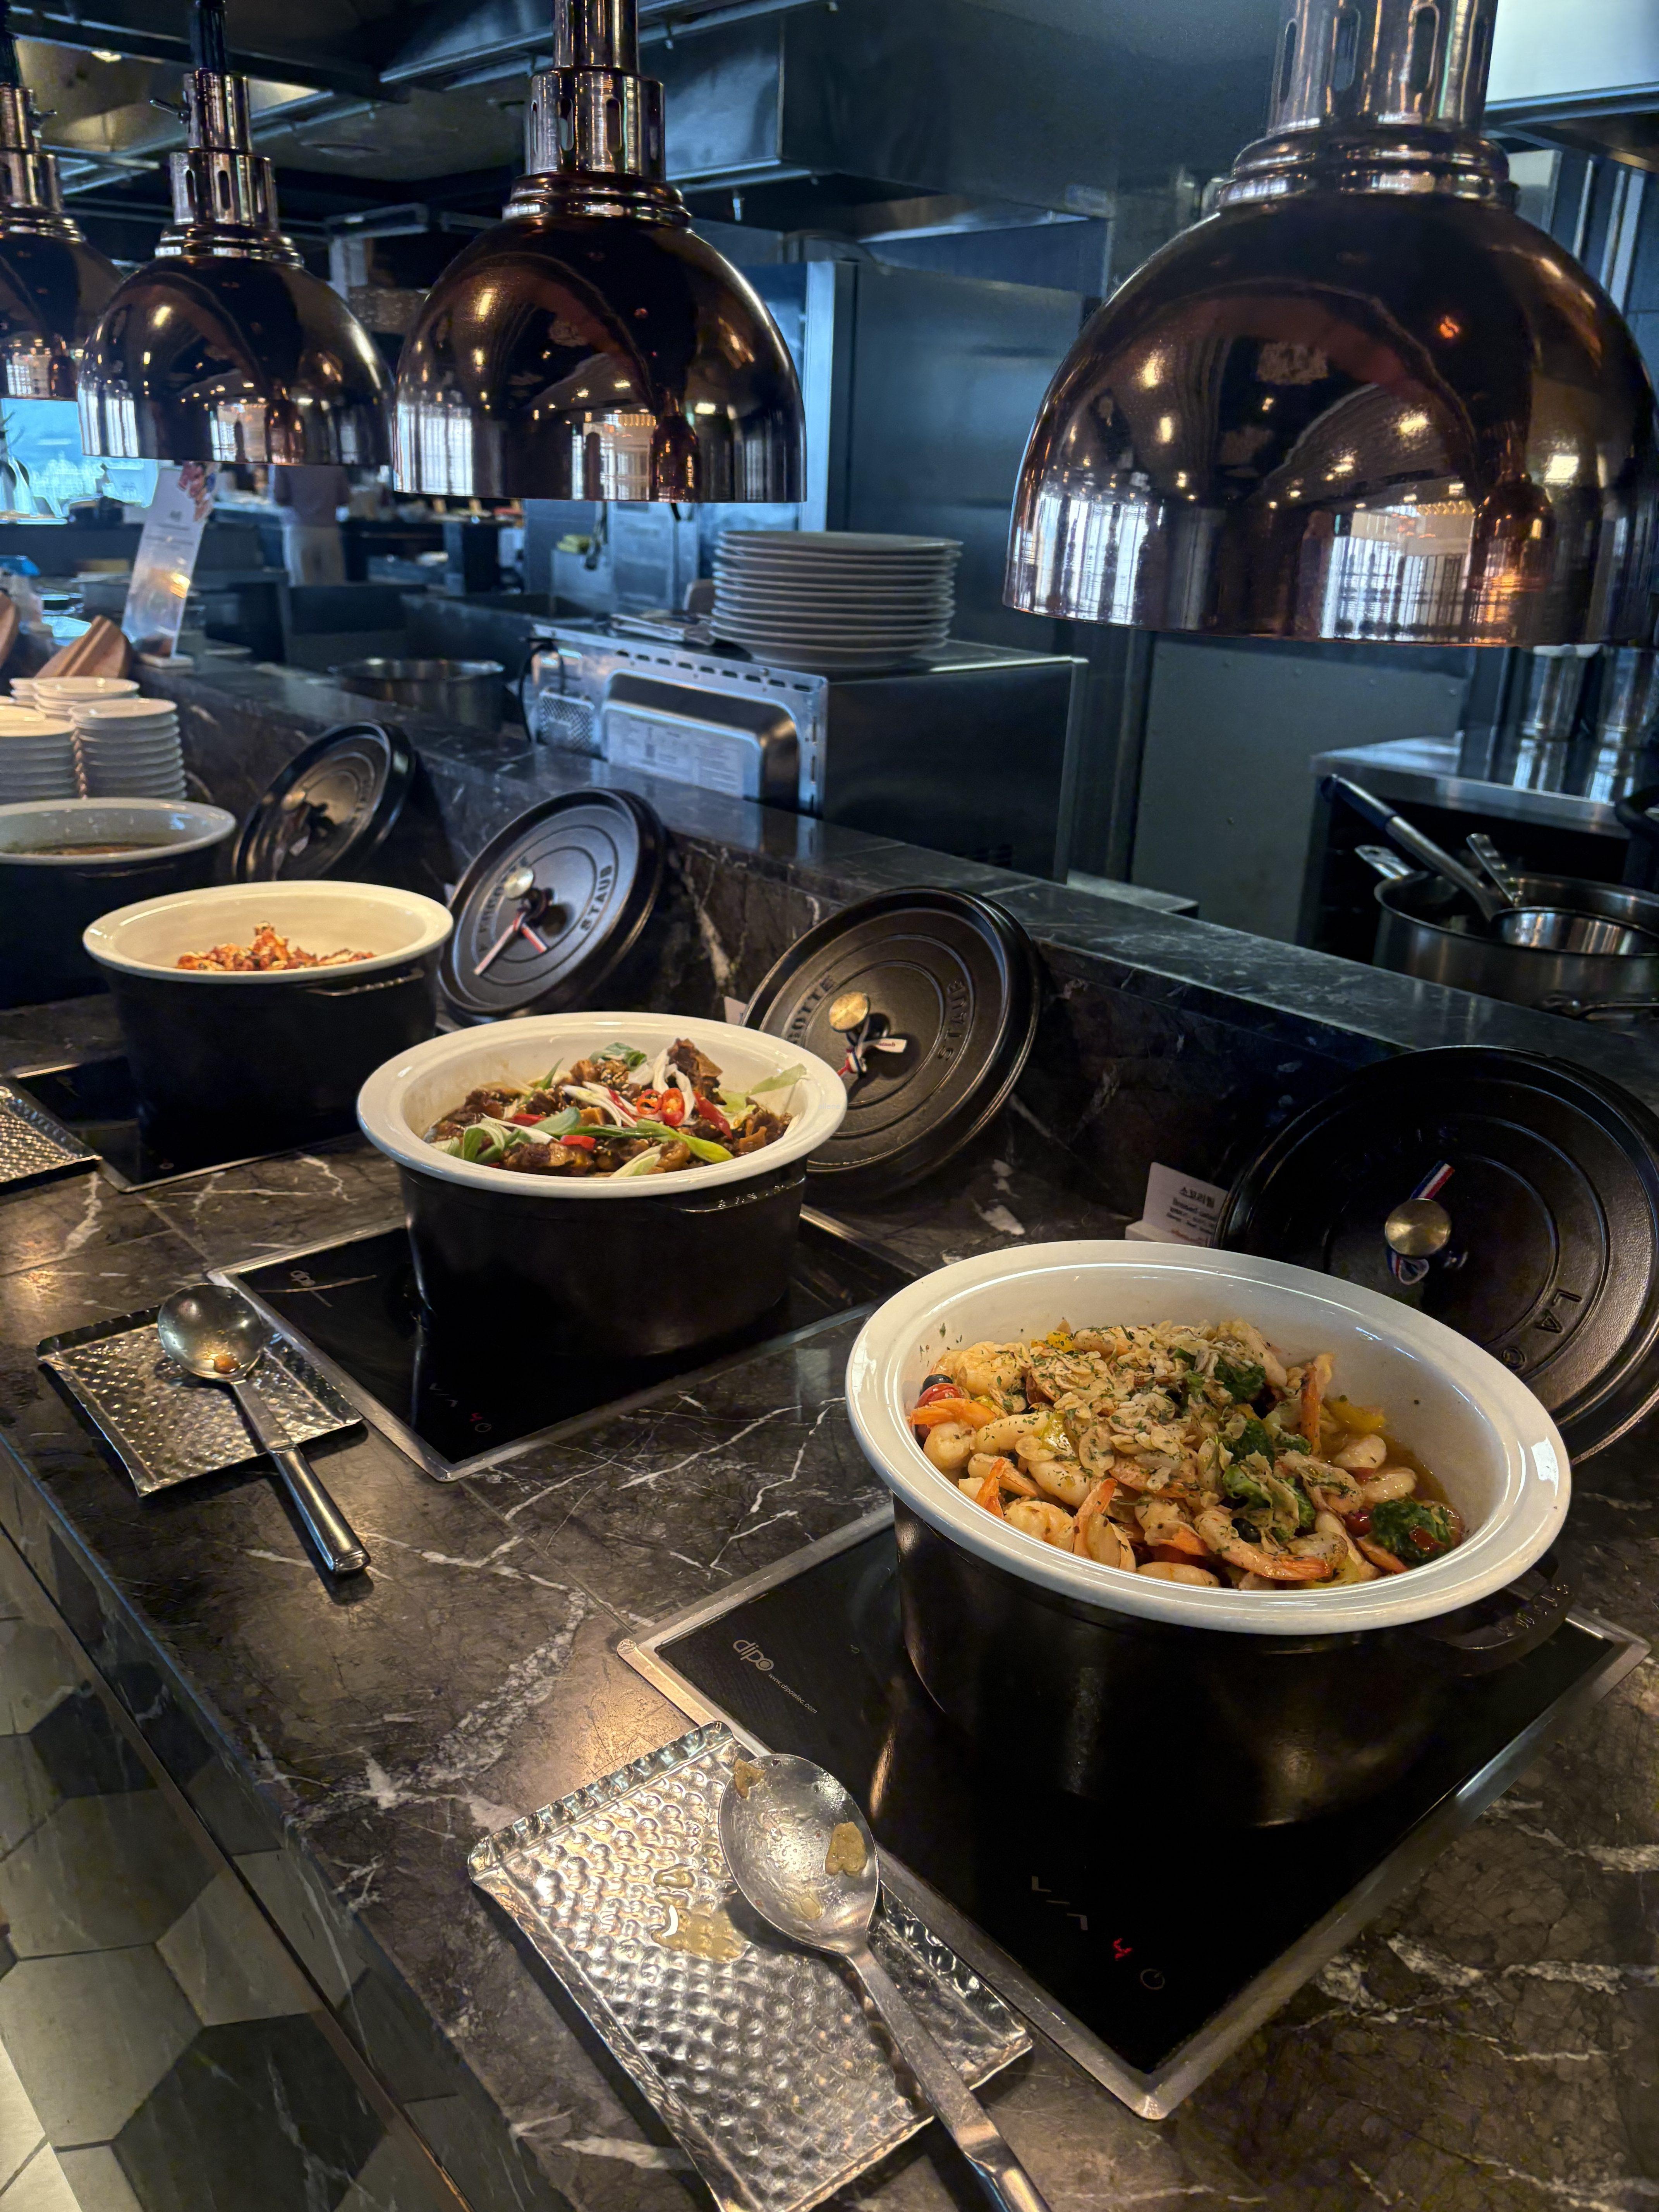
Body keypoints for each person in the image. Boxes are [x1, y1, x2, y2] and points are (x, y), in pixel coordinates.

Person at [270, 462, 350, 586]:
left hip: (299, 530)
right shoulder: (333, 463)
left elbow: (279, 497)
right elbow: (345, 498)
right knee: (333, 587)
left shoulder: (284, 462)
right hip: (329, 531)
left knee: (302, 586)